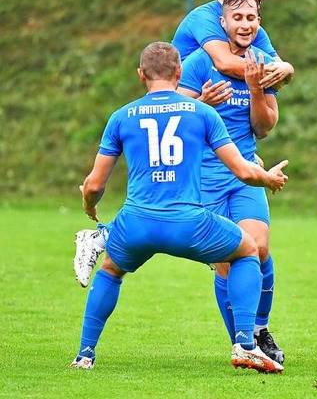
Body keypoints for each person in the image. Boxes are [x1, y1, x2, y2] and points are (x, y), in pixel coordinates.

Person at [70, 41, 288, 373]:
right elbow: (243, 170)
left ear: (141, 75)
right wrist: (268, 180)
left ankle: (84, 355)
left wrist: (89, 205)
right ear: (180, 73)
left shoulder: (121, 117)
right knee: (247, 250)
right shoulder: (202, 113)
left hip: (136, 224)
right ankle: (245, 344)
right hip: (189, 223)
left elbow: (95, 185)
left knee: (111, 271)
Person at [177, 0, 285, 364]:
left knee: (260, 247)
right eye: (237, 18)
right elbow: (173, 121)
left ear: (259, 23)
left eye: (251, 18)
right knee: (227, 259)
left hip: (245, 173)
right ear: (223, 22)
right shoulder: (197, 62)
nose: (245, 24)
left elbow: (265, 126)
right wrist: (200, 105)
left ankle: (258, 331)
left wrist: (256, 88)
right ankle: (242, 345)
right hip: (204, 176)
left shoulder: (263, 63)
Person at [172, 0, 294, 90]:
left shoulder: (250, 28)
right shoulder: (203, 17)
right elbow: (226, 64)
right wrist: (275, 74)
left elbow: (280, 68)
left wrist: (287, 68)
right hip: (189, 101)